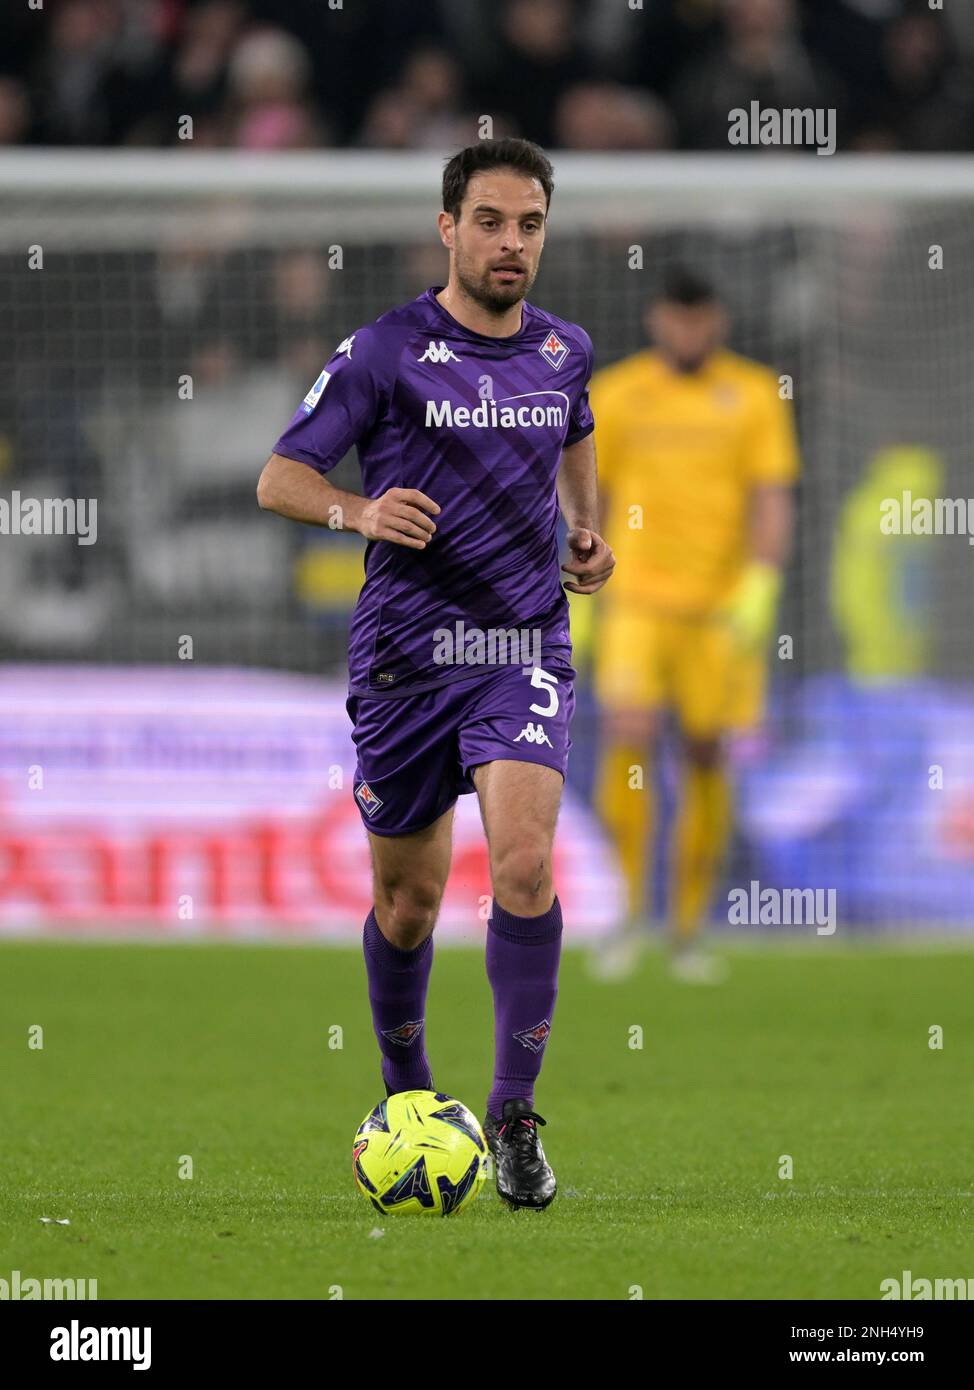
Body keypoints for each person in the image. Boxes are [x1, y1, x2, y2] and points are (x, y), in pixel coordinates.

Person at [257, 138, 613, 1209]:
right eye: (492, 222)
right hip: (406, 660)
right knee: (407, 903)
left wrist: (583, 530)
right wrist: (357, 510)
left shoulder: (564, 350)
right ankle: (408, 1095)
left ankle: (511, 1117)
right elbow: (281, 475)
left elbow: (575, 433)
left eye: (530, 225)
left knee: (520, 866)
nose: (512, 244)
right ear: (448, 227)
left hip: (519, 647)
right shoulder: (383, 351)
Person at [590, 268, 797, 983]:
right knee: (630, 733)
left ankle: (686, 929)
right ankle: (625, 913)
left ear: (719, 322)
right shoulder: (617, 394)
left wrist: (763, 579)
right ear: (657, 321)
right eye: (678, 320)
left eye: (700, 319)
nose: (689, 332)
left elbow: (771, 493)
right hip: (637, 600)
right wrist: (583, 575)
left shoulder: (753, 394)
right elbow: (587, 489)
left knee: (707, 752)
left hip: (717, 608)